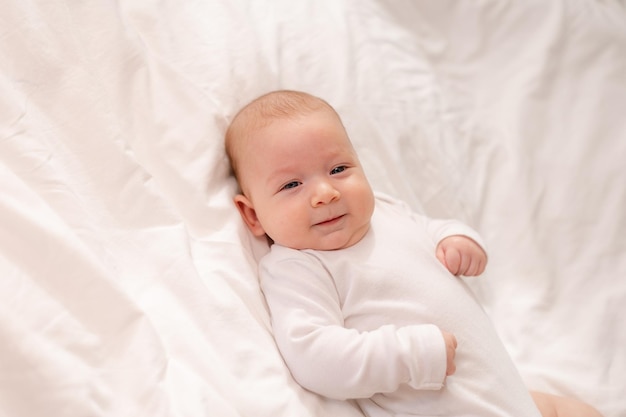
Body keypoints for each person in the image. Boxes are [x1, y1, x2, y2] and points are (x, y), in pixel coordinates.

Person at [225, 90, 603, 417]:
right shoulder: (298, 267)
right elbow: (314, 356)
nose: (326, 192)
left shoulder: (385, 211)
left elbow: (431, 229)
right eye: (292, 184)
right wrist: (412, 353)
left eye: (338, 168)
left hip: (510, 398)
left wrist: (457, 239)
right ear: (254, 216)